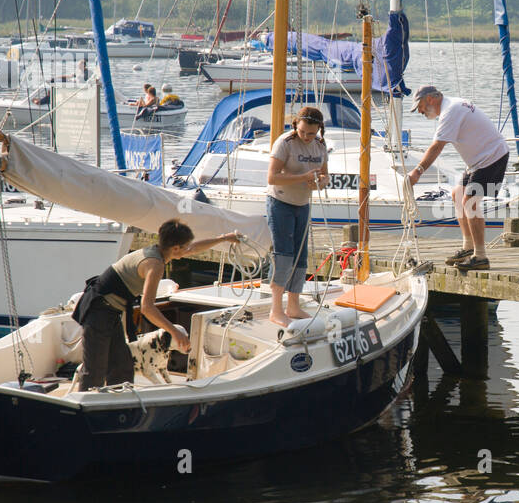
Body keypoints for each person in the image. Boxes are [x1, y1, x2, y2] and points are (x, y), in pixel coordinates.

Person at [72, 219, 241, 390]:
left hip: (111, 311)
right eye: (185, 246)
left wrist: (224, 238)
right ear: (176, 248)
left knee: (122, 367)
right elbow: (147, 307)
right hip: (98, 309)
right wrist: (175, 332)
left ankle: (117, 407)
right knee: (94, 371)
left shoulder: (159, 251)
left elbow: (195, 247)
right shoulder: (155, 264)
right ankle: (83, 410)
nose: (189, 249)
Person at [407, 85, 510, 271]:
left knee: (469, 201)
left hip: (492, 156)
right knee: (457, 194)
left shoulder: (451, 110)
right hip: (479, 161)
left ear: (430, 99)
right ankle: (468, 247)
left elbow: (437, 146)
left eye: (420, 106)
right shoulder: (451, 106)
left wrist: (417, 172)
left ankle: (480, 256)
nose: (420, 111)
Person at [266, 106, 328, 326]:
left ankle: (293, 305)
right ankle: (276, 309)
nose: (306, 137)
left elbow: (325, 176)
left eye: (311, 133)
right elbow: (272, 177)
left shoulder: (320, 145)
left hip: (303, 204)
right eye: (303, 132)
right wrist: (302, 177)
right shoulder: (285, 143)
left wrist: (320, 182)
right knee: (284, 255)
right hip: (280, 203)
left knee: (301, 256)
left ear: (319, 130)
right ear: (296, 126)